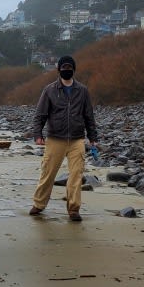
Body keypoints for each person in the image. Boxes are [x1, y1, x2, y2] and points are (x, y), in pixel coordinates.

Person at [29, 55, 98, 222]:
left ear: (74, 70)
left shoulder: (82, 91)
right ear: (58, 70)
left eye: (69, 68)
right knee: (48, 173)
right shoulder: (49, 90)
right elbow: (40, 115)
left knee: (76, 175)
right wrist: (38, 135)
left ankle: (74, 209)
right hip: (55, 139)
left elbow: (89, 116)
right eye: (64, 68)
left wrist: (93, 138)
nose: (67, 70)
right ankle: (39, 204)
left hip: (77, 140)